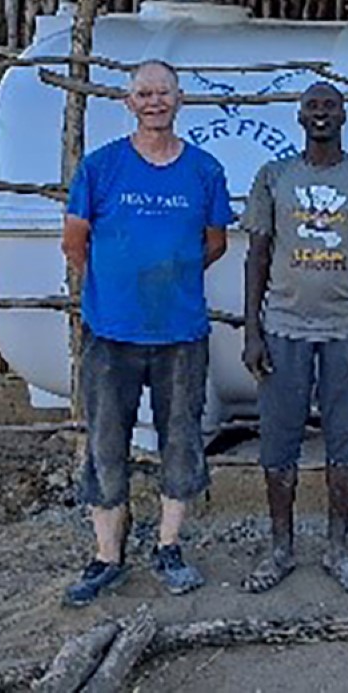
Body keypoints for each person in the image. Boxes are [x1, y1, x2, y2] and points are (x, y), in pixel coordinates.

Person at [60, 60, 234, 607]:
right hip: (111, 333)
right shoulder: (101, 167)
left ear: (179, 100)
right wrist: (118, 286)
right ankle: (107, 556)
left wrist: (168, 276)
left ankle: (168, 546)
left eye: (163, 92)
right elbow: (75, 242)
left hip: (180, 332)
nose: (154, 101)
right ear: (128, 102)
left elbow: (215, 243)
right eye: (144, 93)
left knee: (180, 437)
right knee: (107, 440)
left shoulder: (203, 170)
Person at [238, 82, 348, 595]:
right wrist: (252, 330)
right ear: (300, 116)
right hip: (284, 327)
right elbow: (257, 256)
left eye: (330, 106)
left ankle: (337, 549)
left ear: (344, 116)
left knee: (346, 443)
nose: (321, 114)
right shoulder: (274, 177)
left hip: (347, 330)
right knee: (279, 442)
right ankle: (281, 549)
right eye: (313, 107)